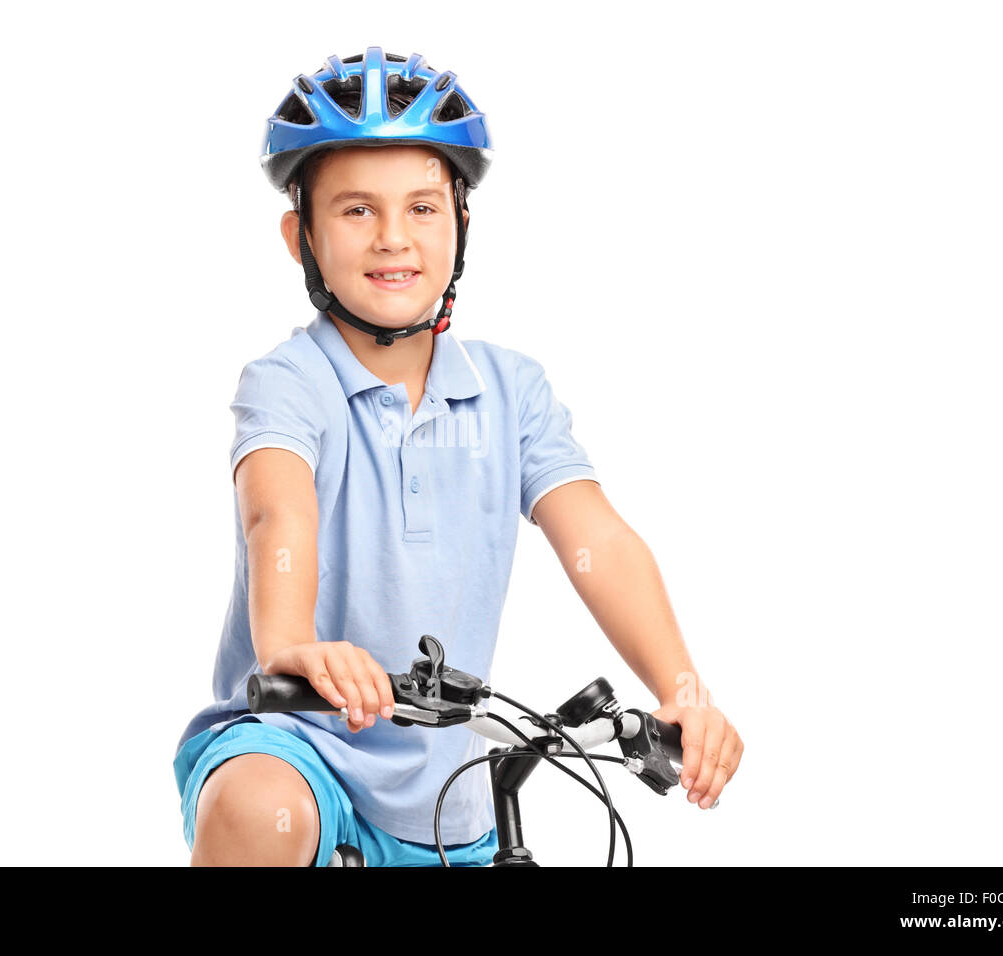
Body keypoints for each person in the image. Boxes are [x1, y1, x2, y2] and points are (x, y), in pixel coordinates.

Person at [173, 47, 744, 867]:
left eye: (422, 208)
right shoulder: (288, 385)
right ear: (301, 236)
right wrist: (291, 644)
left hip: (453, 790)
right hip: (299, 748)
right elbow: (276, 514)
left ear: (462, 223)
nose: (393, 238)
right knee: (265, 809)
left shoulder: (511, 392)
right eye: (356, 211)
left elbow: (598, 540)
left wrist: (681, 686)